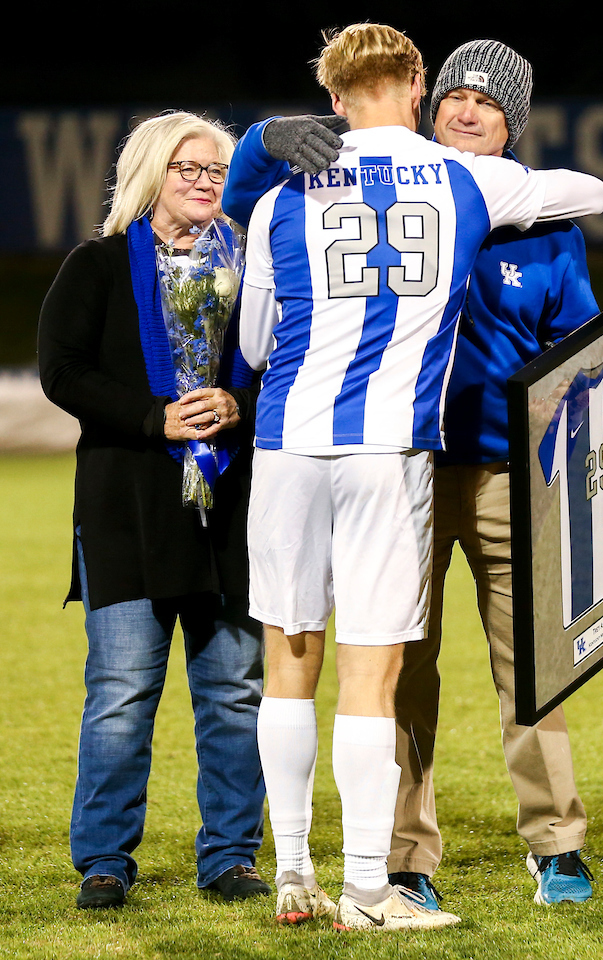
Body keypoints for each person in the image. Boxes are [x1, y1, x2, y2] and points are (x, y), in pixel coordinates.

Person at [236, 23, 603, 932]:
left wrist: (258, 143)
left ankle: (296, 867)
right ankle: (377, 882)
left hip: (297, 448)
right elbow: (593, 186)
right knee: (381, 669)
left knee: (292, 660)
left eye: (487, 101)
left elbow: (251, 344)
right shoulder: (465, 181)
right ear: (415, 84)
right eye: (450, 93)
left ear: (329, 99)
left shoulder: (281, 192)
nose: (465, 109)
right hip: (394, 454)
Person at [38, 111, 268, 910]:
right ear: (150, 174)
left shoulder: (257, 267)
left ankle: (232, 856)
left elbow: (288, 365)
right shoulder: (97, 264)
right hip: (127, 509)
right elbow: (60, 371)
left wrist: (239, 405)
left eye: (216, 171)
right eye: (188, 169)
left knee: (236, 690)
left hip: (233, 513)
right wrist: (153, 417)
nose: (205, 183)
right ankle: (104, 859)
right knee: (121, 692)